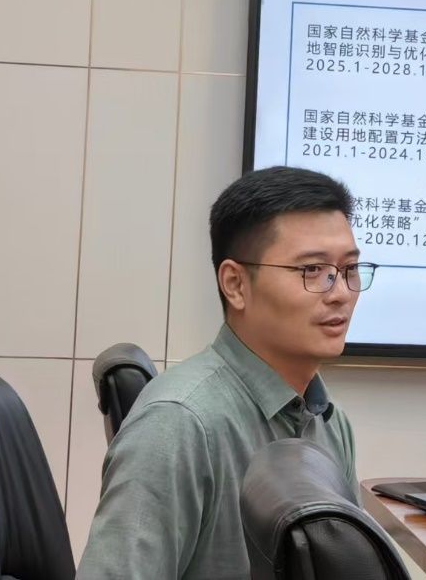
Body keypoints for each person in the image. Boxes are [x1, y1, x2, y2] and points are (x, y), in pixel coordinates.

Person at [76, 165, 375, 580]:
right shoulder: (178, 423)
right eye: (312, 270)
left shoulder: (328, 420)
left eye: (349, 270)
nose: (340, 292)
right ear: (235, 284)